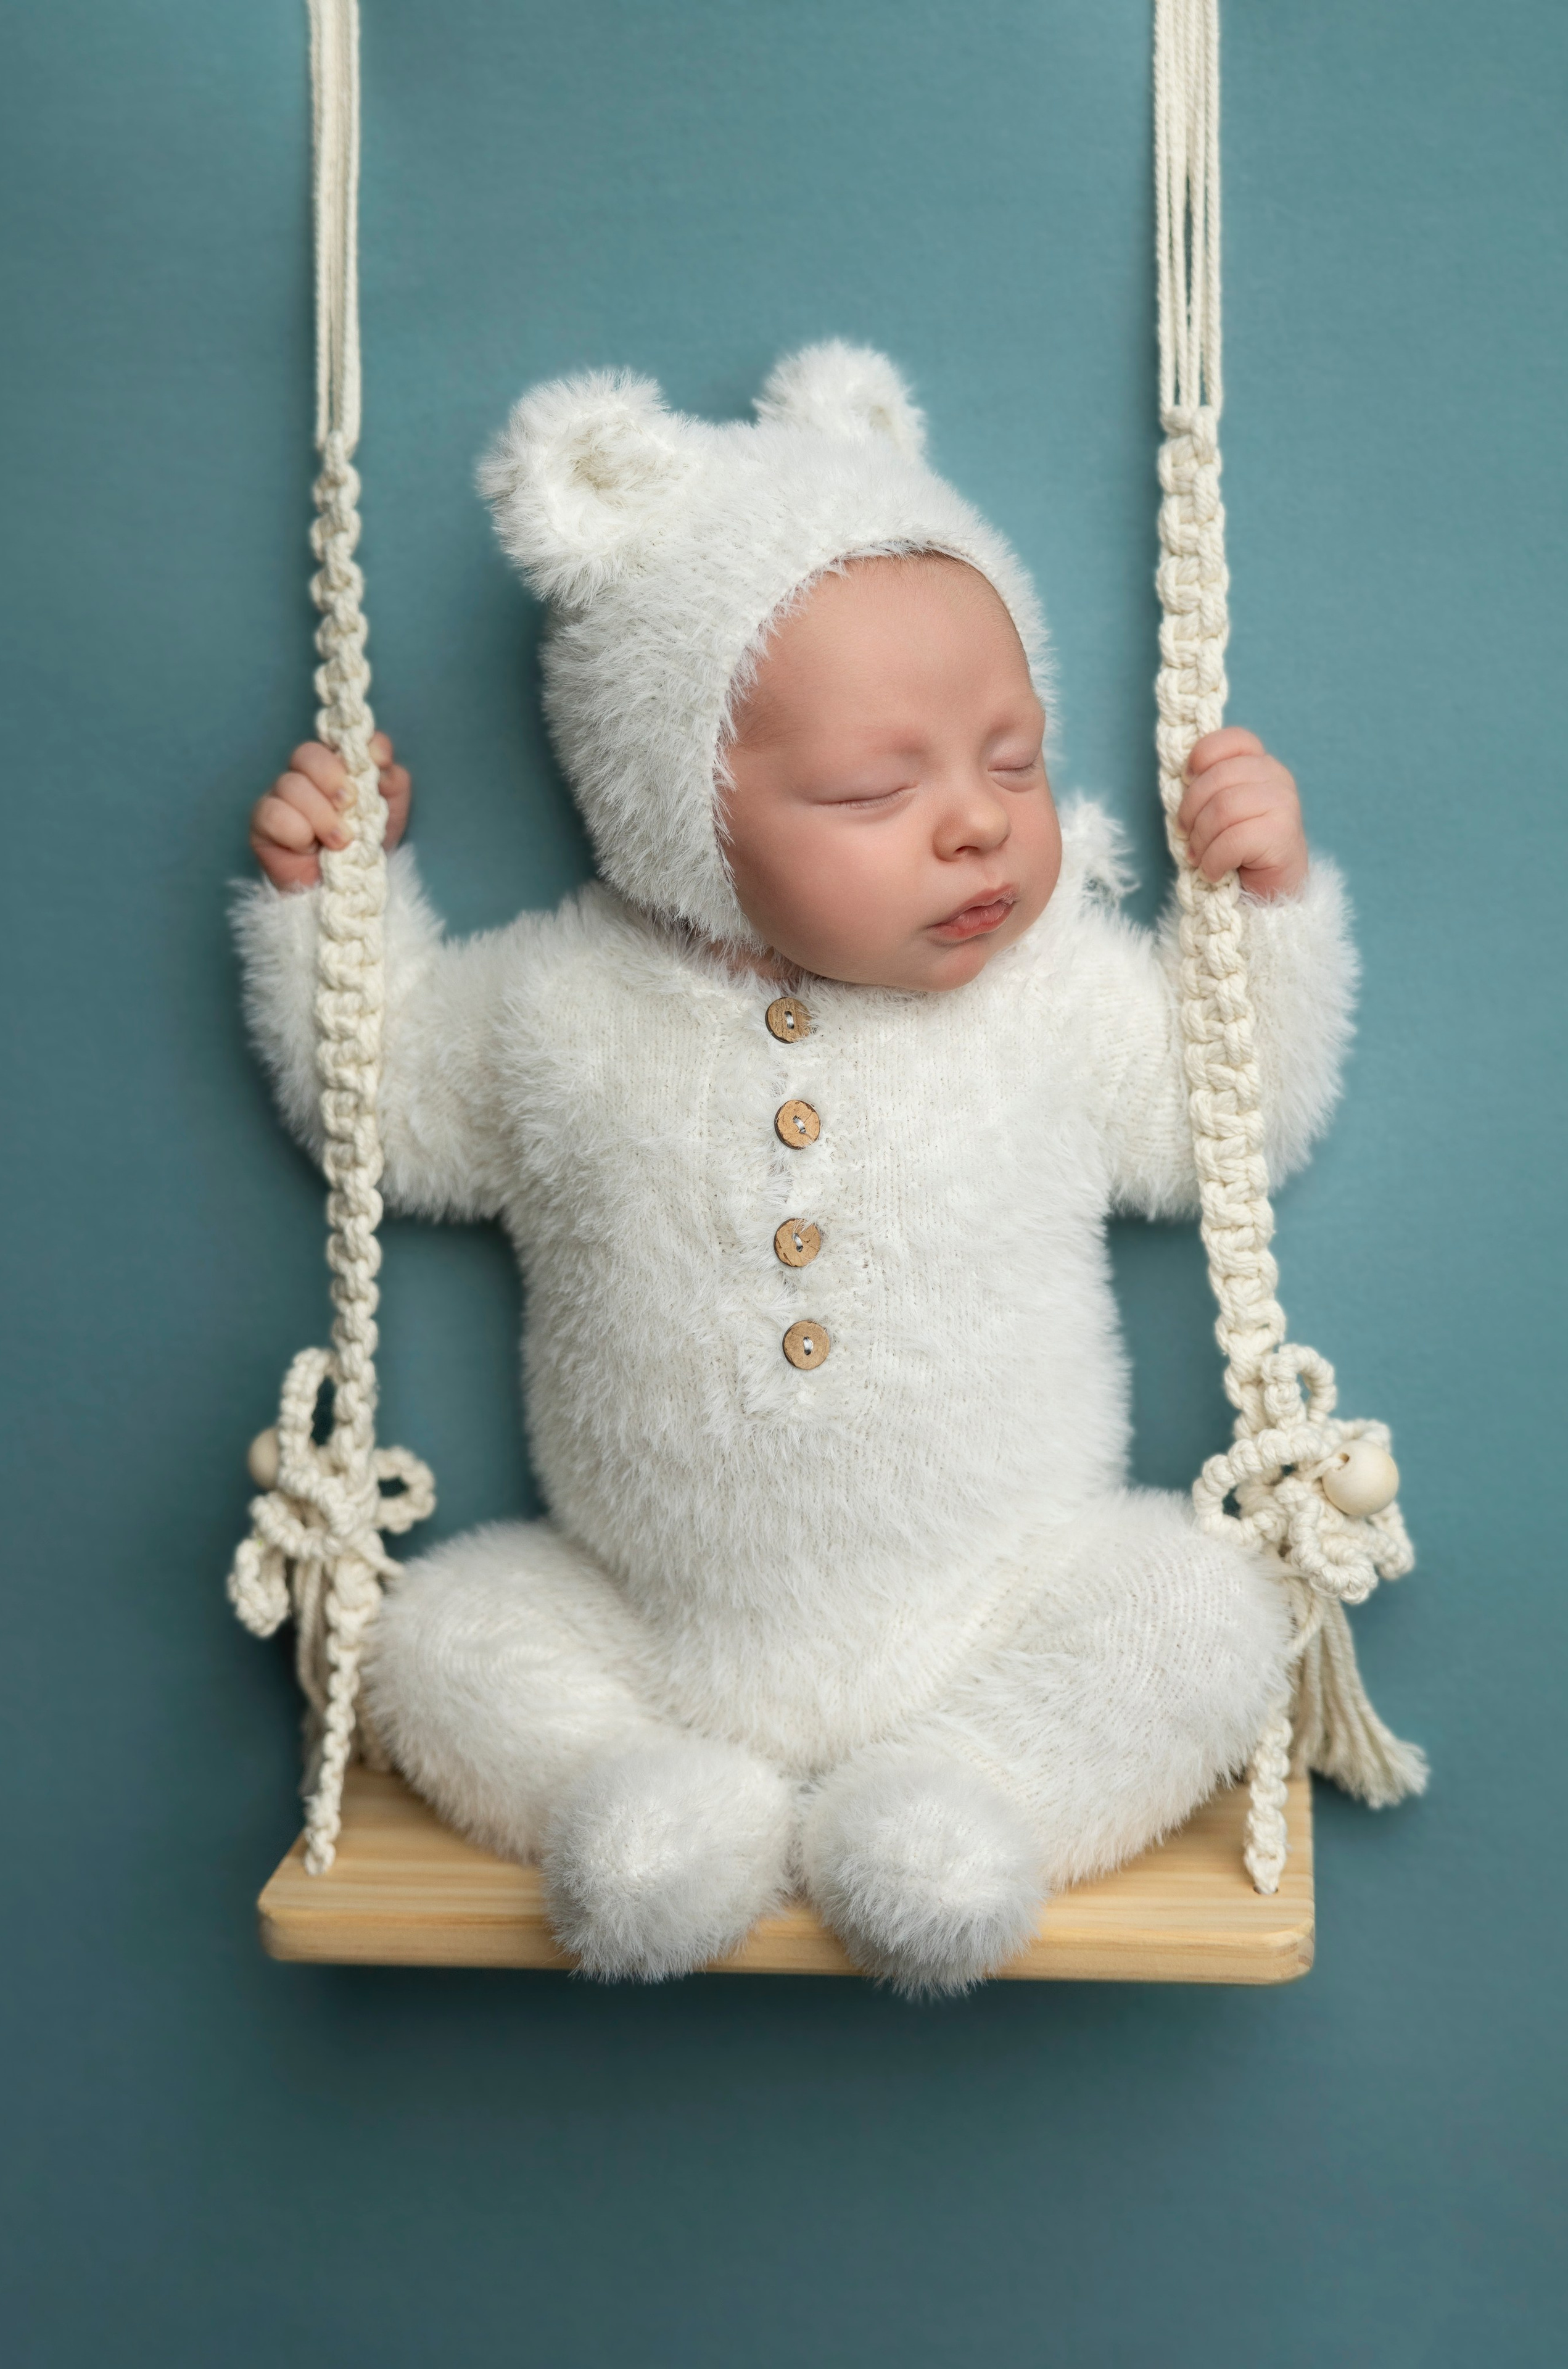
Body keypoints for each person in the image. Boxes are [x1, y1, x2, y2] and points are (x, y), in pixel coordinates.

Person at [237, 344, 1351, 1991]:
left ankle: (972, 1805)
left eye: (1014, 761)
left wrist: (1261, 913)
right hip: (657, 1628)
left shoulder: (1049, 995)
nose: (973, 826)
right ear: (674, 796)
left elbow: (1223, 1121)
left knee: (1202, 1613)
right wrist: (331, 901)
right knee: (440, 1646)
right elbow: (379, 1101)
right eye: (876, 789)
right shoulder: (563, 1008)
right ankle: (638, 1809)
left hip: (1005, 1606)